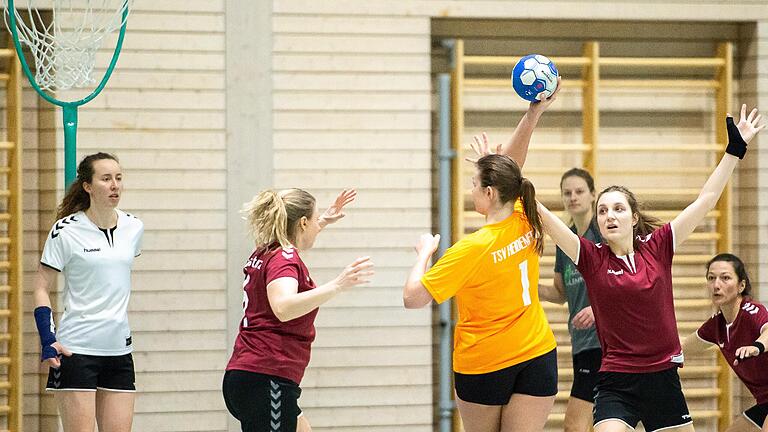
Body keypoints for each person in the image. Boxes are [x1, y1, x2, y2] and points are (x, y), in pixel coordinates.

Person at [535, 104, 764, 432]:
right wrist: (516, 178)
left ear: (633, 217)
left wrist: (735, 150)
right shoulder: (591, 257)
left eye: (617, 208)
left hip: (663, 381)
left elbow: (706, 199)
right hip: (616, 382)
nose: (609, 215)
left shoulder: (658, 246)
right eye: (602, 211)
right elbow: (548, 220)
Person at [402, 86, 560, 432]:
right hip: (537, 353)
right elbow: (514, 171)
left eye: (475, 184)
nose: (471, 189)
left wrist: (424, 256)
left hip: (485, 363)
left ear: (489, 193)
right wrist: (533, 114)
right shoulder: (526, 218)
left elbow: (413, 298)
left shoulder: (470, 250)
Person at [223, 188, 374, 432]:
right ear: (303, 222)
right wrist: (337, 284)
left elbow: (293, 240)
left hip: (247, 374)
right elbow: (282, 306)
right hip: (267, 376)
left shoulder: (267, 250)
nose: (317, 226)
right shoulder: (284, 258)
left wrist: (323, 219)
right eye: (314, 220)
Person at [33, 152, 143, 432]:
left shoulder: (133, 227)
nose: (115, 185)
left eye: (118, 178)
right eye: (106, 179)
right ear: (88, 186)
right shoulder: (66, 230)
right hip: (76, 350)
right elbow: (41, 287)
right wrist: (48, 338)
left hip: (119, 349)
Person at [538, 167, 602, 432]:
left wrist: (599, 311)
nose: (573, 197)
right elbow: (560, 292)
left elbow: (626, 286)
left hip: (605, 342)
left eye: (579, 191)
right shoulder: (565, 240)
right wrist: (525, 284)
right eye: (567, 193)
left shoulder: (604, 236)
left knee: (574, 425)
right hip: (581, 343)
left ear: (593, 195)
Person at [682, 253, 768, 432]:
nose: (716, 285)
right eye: (711, 278)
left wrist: (757, 347)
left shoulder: (751, 312)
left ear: (741, 285)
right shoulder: (716, 325)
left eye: (725, 278)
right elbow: (680, 349)